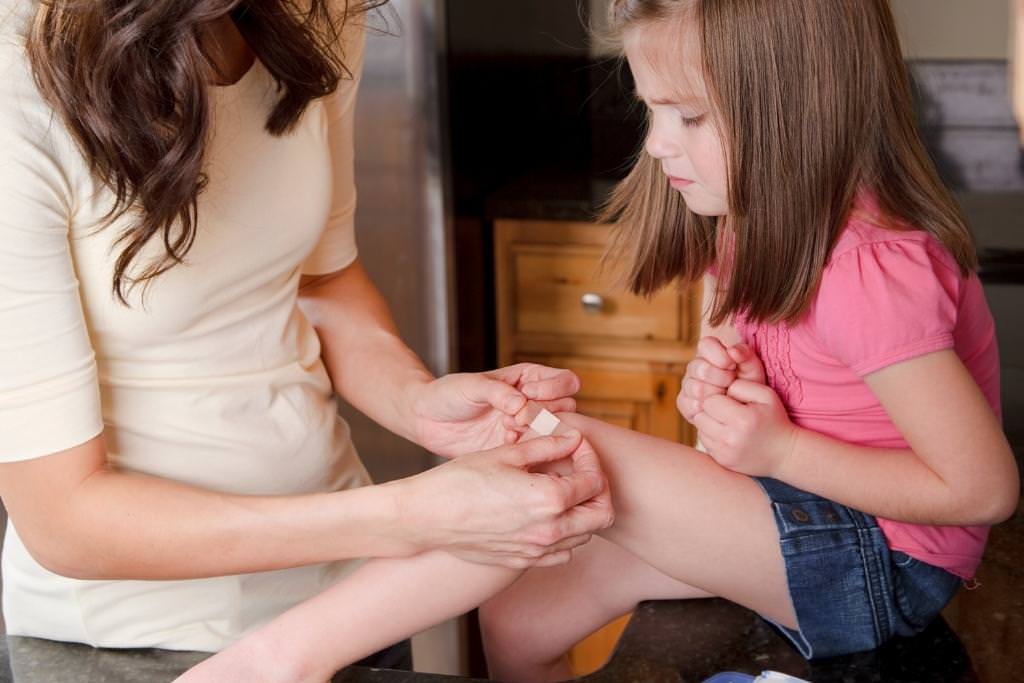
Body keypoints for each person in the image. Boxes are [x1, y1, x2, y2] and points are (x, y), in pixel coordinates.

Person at [173, 0, 1021, 681]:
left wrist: (781, 447)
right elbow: (738, 434)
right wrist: (723, 401)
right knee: (518, 610)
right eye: (651, 109)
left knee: (572, 458)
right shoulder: (749, 223)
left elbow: (981, 488)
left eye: (688, 116)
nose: (656, 145)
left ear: (797, 108)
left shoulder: (868, 267)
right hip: (799, 520)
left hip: (886, 563)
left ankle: (281, 658)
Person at [0, 0, 613, 669]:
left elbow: (322, 283)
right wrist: (407, 515)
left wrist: (416, 402)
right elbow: (64, 517)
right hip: (132, 641)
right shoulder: (18, 87)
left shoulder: (317, 16)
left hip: (347, 599)